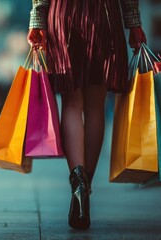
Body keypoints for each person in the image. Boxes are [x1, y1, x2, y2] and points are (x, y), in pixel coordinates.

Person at [27, 0, 146, 230]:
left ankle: (78, 184)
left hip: (63, 14)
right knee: (95, 107)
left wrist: (38, 18)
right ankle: (86, 188)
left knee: (71, 104)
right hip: (104, 15)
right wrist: (133, 22)